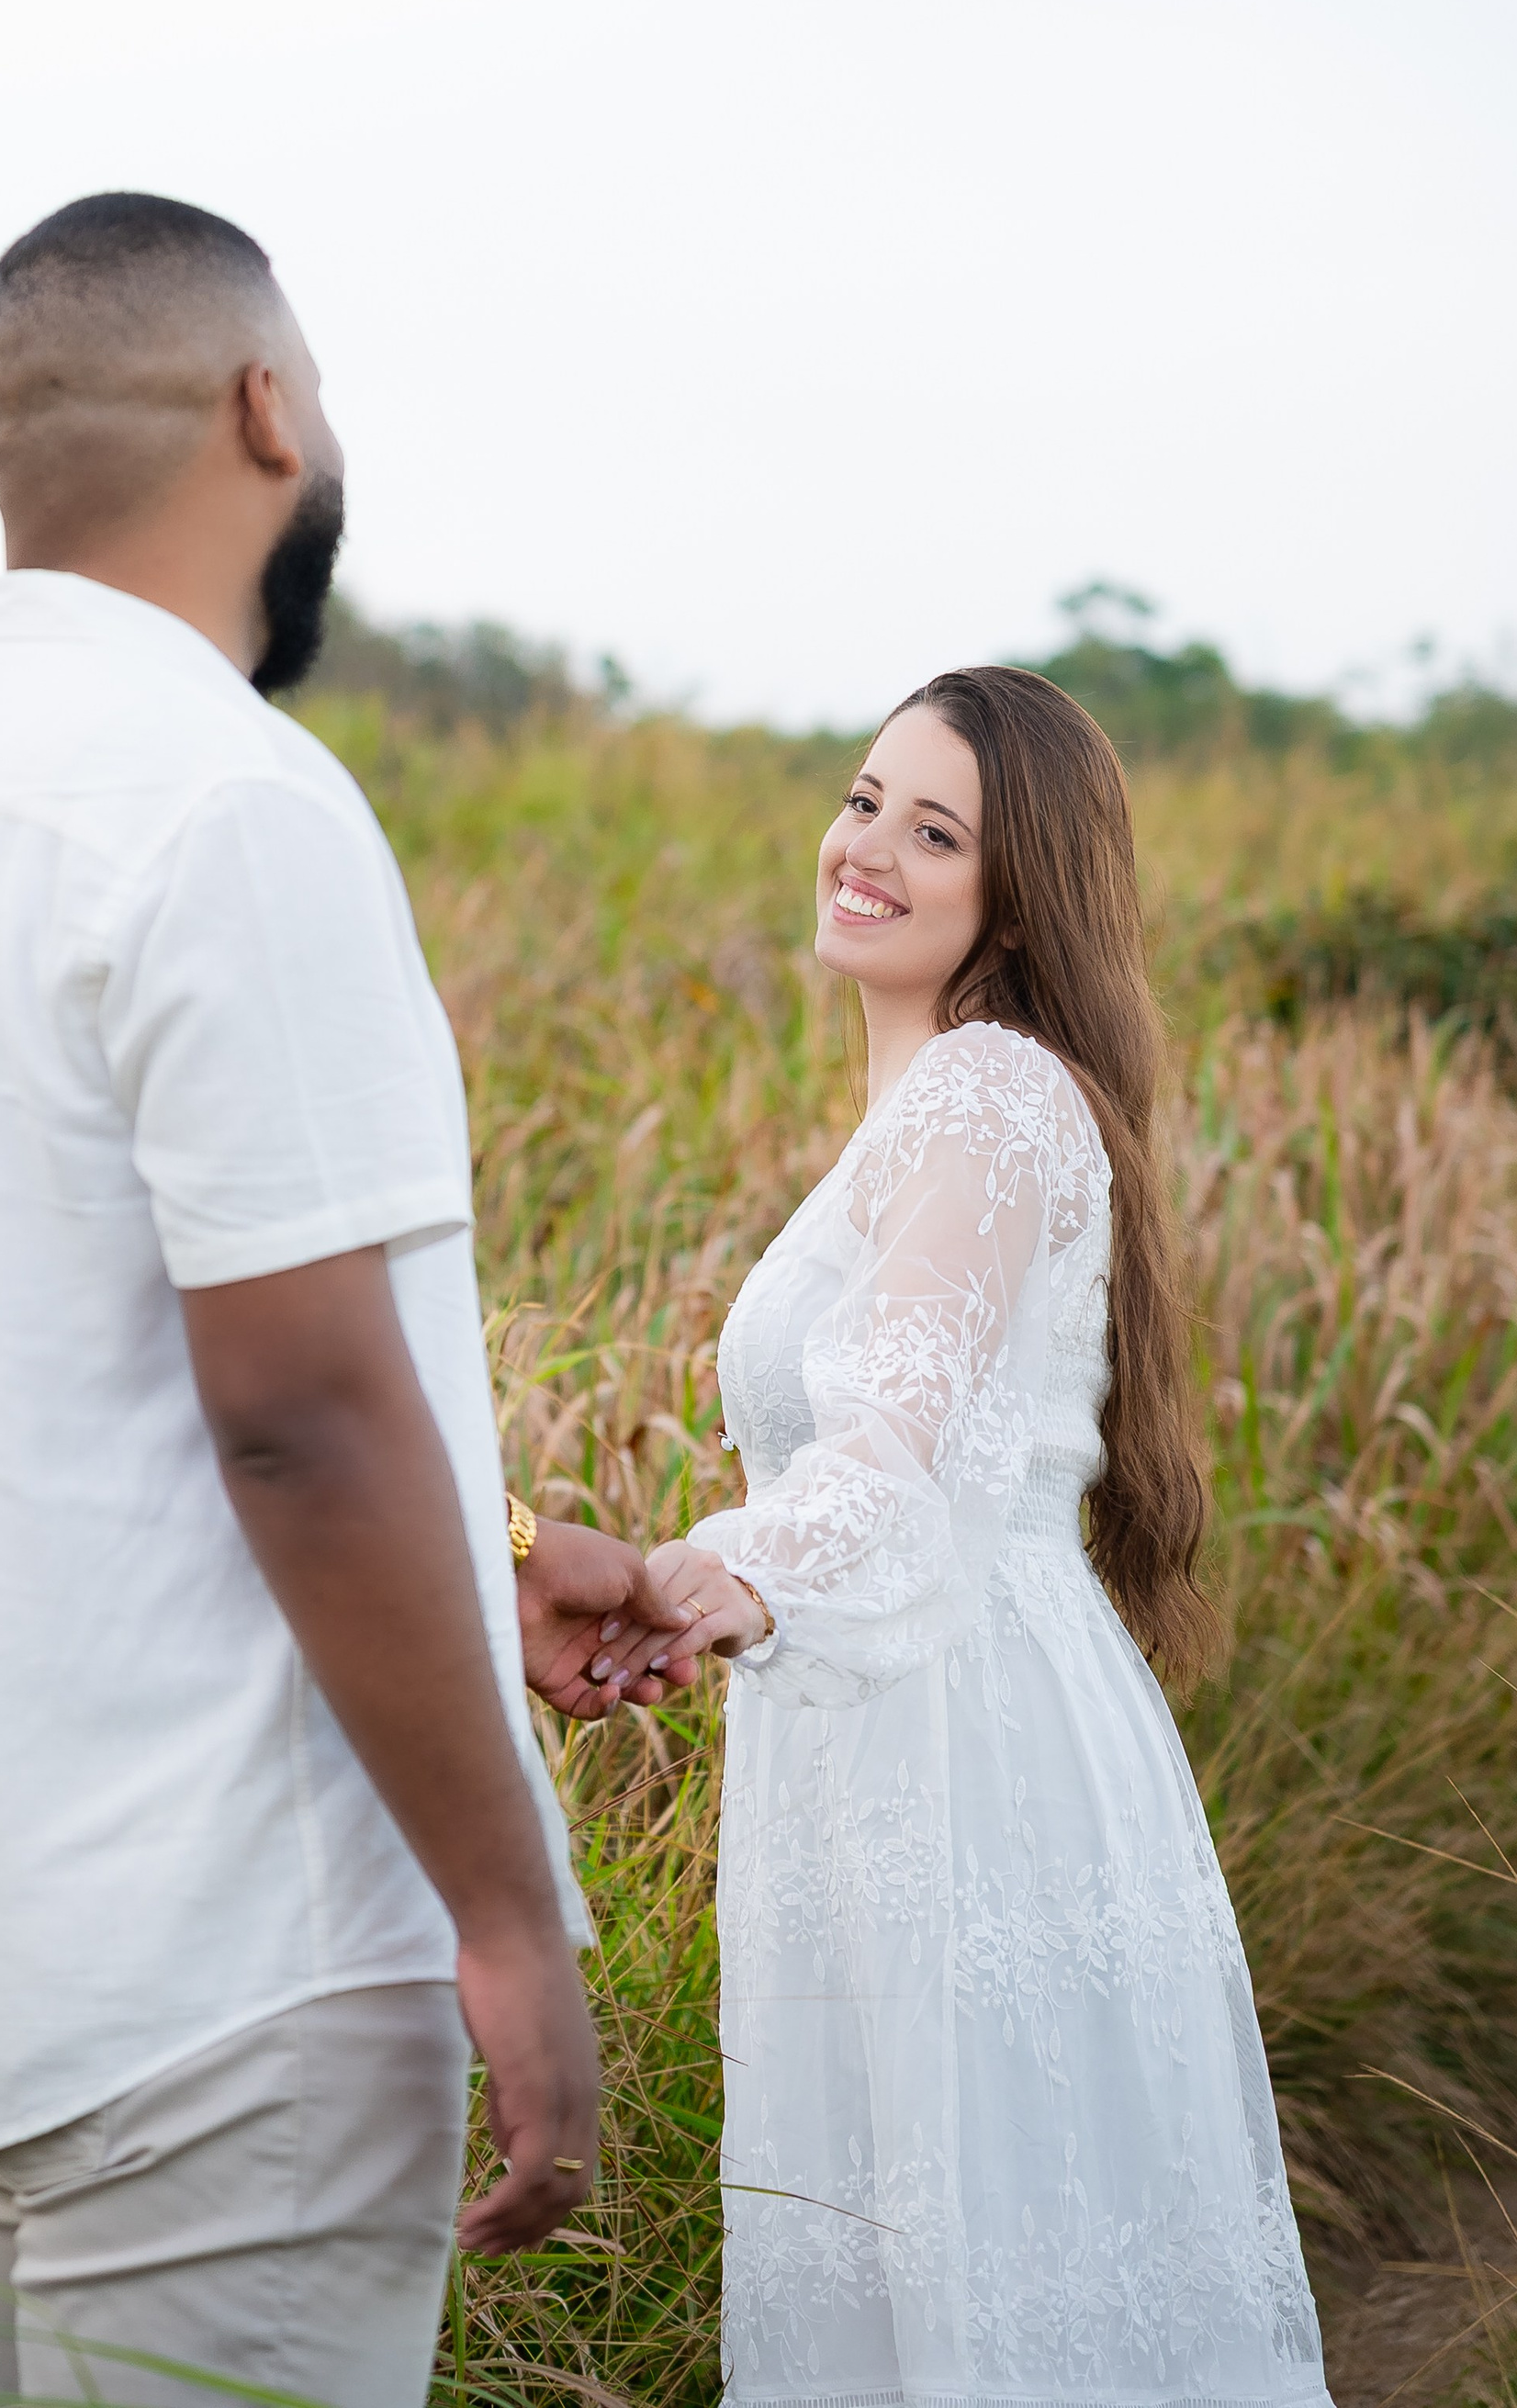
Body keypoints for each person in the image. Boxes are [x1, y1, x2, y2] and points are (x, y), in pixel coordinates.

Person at [0, 192, 691, 2408]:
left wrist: (480, 1551)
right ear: (265, 411)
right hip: (231, 1967)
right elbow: (297, 1408)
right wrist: (505, 1907)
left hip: (0, 1948)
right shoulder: (225, 800)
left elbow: (58, 1366)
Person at [644, 669, 1333, 2408]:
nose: (867, 847)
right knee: (933, 2257)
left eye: (934, 830)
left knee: (984, 2268)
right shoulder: (950, 1104)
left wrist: (728, 1578)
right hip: (898, 1725)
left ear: (1015, 899)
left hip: (961, 1749)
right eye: (864, 797)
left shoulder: (983, 1095)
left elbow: (896, 1444)